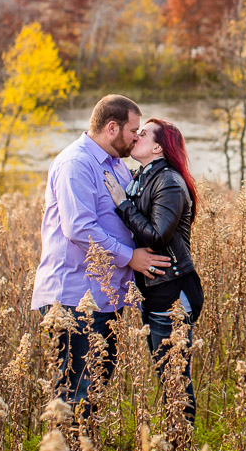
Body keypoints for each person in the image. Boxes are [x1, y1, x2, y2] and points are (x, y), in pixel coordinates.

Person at [31, 94, 171, 418]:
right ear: (112, 127)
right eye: (133, 130)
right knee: (75, 394)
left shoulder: (118, 166)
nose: (137, 137)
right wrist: (130, 257)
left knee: (93, 393)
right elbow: (79, 229)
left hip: (105, 298)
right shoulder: (75, 164)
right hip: (73, 298)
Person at [102, 118, 203, 425]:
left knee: (174, 380)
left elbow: (157, 236)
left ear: (158, 147)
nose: (135, 137)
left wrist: (122, 204)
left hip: (173, 292)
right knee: (168, 376)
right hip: (157, 291)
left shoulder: (169, 181)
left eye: (142, 134)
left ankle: (181, 446)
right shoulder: (142, 177)